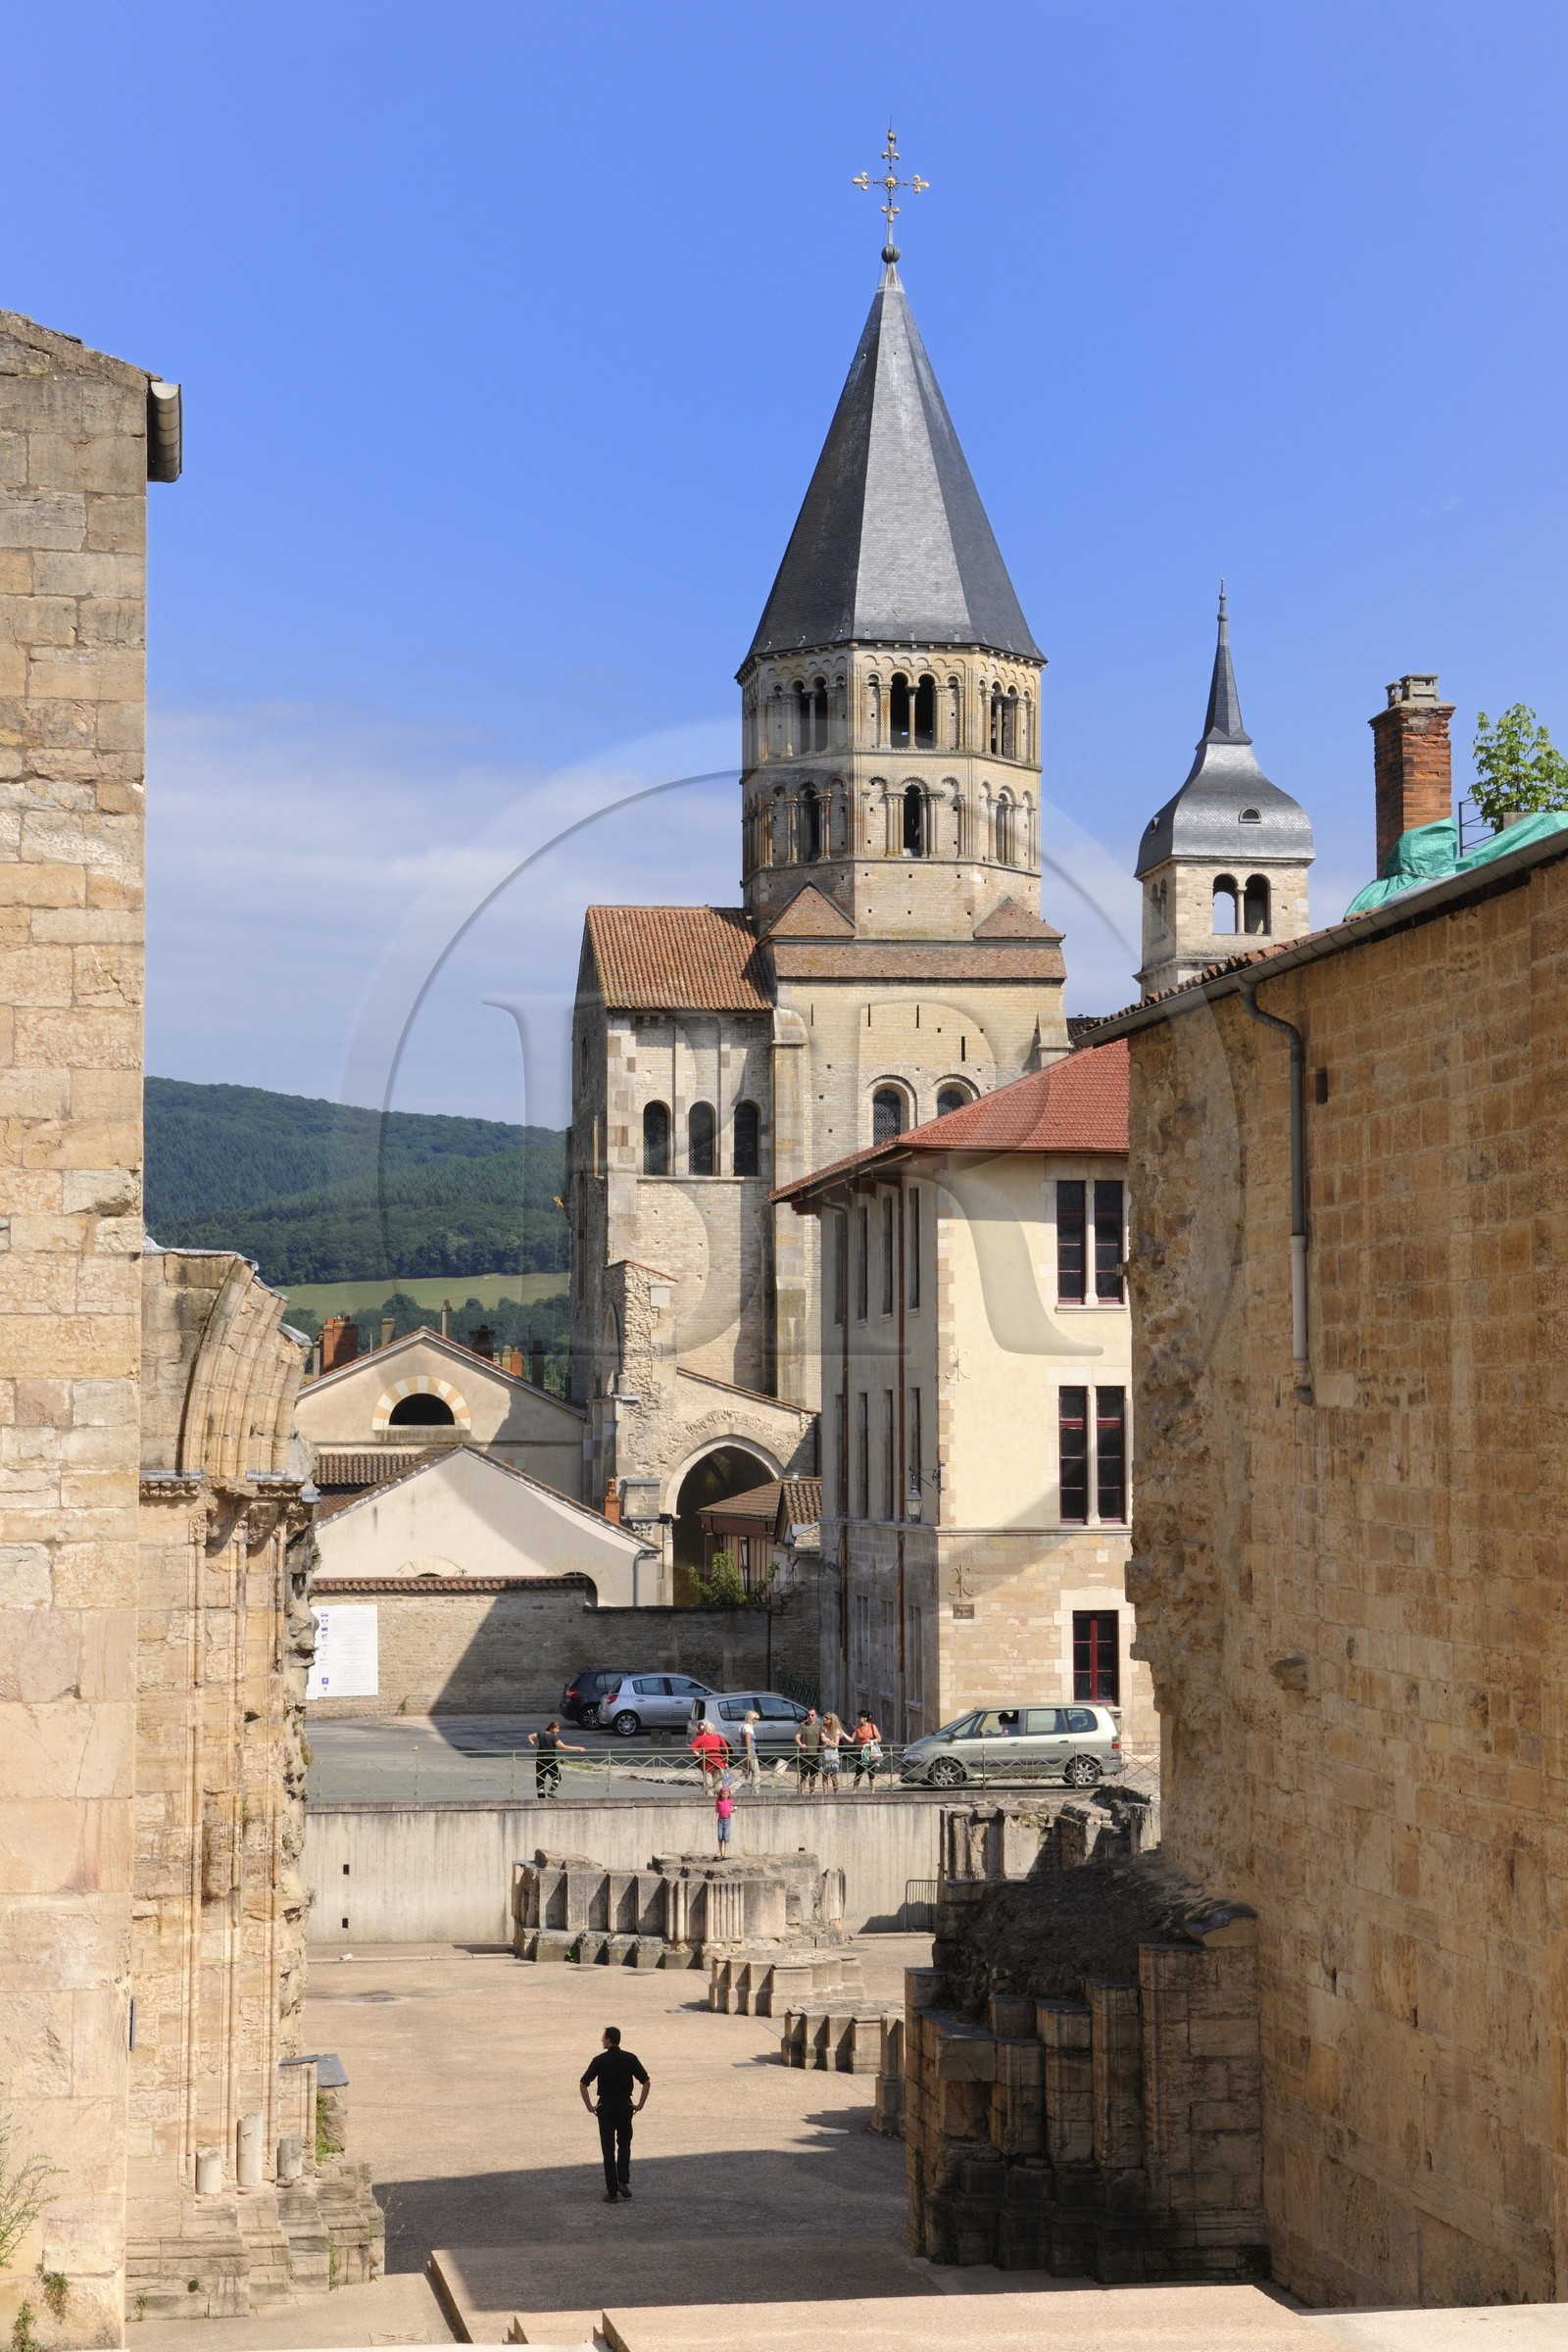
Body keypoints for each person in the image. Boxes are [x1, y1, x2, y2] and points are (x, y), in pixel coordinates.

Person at [579, 2026, 650, 2203]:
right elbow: (646, 2081)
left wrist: (590, 2107)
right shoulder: (630, 2058)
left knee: (608, 2150)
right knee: (624, 2145)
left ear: (609, 2040)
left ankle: (612, 2193)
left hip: (606, 2108)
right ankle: (623, 2182)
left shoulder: (599, 2060)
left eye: (603, 2038)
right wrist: (640, 2104)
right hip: (625, 2107)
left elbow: (583, 2083)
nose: (602, 2040)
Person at [528, 1718, 583, 1799]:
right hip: (550, 1760)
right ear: (551, 1728)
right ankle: (551, 1791)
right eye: (556, 1729)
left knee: (540, 1779)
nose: (558, 1731)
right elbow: (563, 1747)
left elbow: (530, 1737)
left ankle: (541, 1799)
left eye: (559, 1729)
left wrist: (535, 1745)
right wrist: (577, 1748)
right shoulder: (553, 1737)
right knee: (556, 1776)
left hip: (540, 1760)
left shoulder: (541, 1733)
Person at [691, 1717, 730, 1793]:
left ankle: (709, 1798)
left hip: (707, 1761)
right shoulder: (719, 1737)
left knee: (708, 1782)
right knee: (718, 1781)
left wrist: (698, 1754)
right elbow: (726, 1748)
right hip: (718, 1760)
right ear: (714, 1729)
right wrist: (726, 1759)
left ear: (705, 1729)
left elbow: (692, 1747)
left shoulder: (701, 1738)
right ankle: (718, 1796)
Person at [851, 1710, 883, 1792]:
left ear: (865, 1718)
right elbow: (851, 1740)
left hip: (869, 1751)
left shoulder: (872, 1726)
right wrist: (842, 1733)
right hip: (861, 1751)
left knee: (871, 1772)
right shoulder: (858, 1728)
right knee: (858, 1772)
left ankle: (872, 1792)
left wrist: (871, 1741)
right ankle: (854, 1791)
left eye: (860, 1717)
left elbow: (879, 1738)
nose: (858, 1719)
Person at [795, 1706, 821, 1795]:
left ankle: (812, 1791)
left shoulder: (819, 1725)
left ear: (815, 1715)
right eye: (808, 1715)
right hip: (805, 1754)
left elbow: (823, 1736)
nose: (810, 1717)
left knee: (813, 1775)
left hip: (815, 1753)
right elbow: (797, 1736)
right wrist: (801, 1744)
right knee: (803, 1774)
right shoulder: (803, 1725)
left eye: (812, 1715)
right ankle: (801, 1792)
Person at [819, 1711, 844, 1796]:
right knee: (824, 1775)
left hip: (833, 1754)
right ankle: (825, 1794)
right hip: (825, 1753)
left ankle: (836, 1794)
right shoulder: (823, 1728)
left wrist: (828, 1741)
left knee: (834, 1776)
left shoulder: (836, 1730)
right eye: (825, 1717)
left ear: (832, 1720)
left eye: (827, 1718)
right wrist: (829, 1741)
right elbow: (823, 1738)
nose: (825, 1719)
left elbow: (836, 1745)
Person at [738, 1709, 761, 1791]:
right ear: (751, 1718)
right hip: (750, 1753)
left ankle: (730, 1790)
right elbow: (748, 1741)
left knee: (745, 1775)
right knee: (756, 1773)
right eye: (756, 1718)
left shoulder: (742, 1726)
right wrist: (749, 1754)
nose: (757, 1720)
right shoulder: (748, 1727)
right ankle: (755, 1793)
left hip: (742, 1752)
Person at [714, 1772, 734, 1857]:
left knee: (726, 1836)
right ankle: (719, 1851)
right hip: (720, 1820)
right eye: (723, 1794)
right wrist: (713, 1820)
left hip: (727, 1820)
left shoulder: (730, 1801)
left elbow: (731, 1809)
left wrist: (733, 1810)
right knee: (720, 1836)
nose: (725, 1795)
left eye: (726, 1794)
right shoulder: (718, 1801)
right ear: (721, 1794)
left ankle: (726, 1852)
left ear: (728, 1794)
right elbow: (716, 1811)